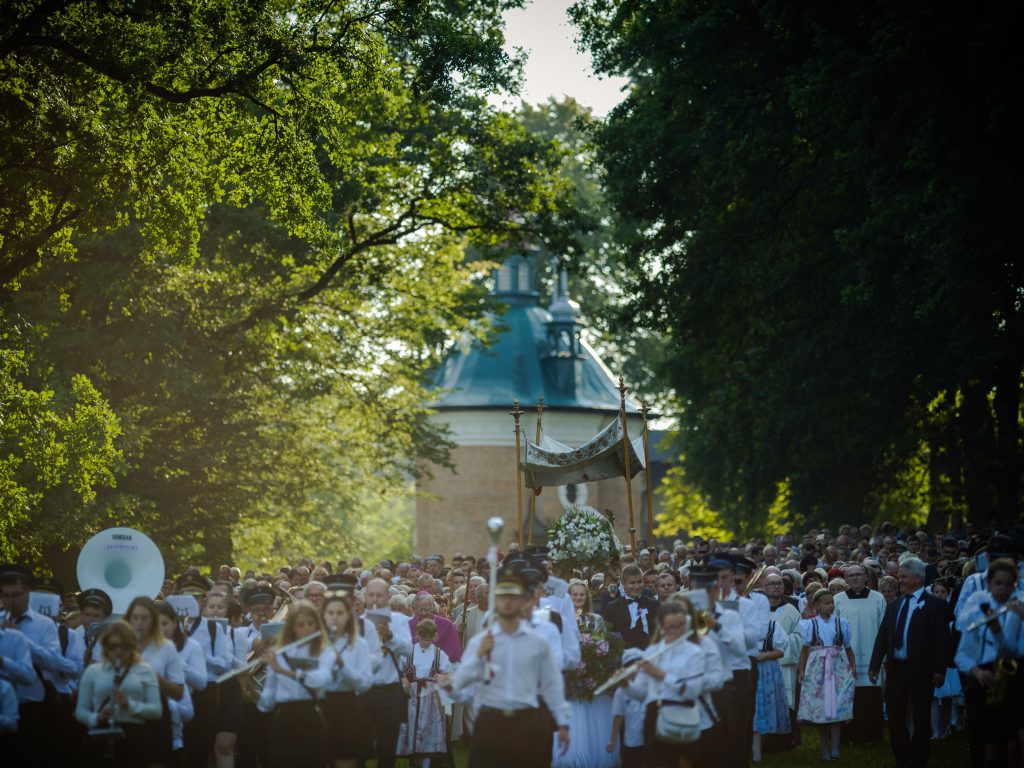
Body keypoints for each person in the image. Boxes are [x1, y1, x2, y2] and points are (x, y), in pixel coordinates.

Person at [451, 570, 570, 768]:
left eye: (512, 597)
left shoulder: (537, 642)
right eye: (502, 597)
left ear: (522, 602)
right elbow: (461, 682)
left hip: (526, 720)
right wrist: (478, 656)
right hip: (490, 721)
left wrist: (563, 721)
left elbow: (553, 683)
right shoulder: (481, 641)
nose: (507, 602)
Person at [869, 557, 951, 768]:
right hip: (896, 669)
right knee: (895, 717)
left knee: (921, 717)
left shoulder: (935, 605)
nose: (900, 581)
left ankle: (918, 760)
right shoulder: (894, 605)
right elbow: (883, 636)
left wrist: (940, 669)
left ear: (917, 578)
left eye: (904, 577)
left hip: (922, 670)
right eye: (899, 577)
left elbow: (942, 640)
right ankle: (902, 758)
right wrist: (874, 664)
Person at [954, 559, 1024, 768]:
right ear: (989, 584)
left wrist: (1000, 627)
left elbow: (1010, 650)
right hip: (985, 677)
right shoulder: (977, 611)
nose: (1003, 589)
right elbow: (962, 655)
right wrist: (977, 672)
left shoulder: (1018, 609)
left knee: (1013, 746)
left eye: (1008, 584)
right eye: (998, 583)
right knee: (989, 746)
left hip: (1015, 675)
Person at [624, 600, 711, 768]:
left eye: (681, 625)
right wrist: (624, 684)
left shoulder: (695, 653)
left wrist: (661, 675)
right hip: (655, 715)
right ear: (662, 627)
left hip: (685, 713)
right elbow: (641, 693)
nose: (678, 631)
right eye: (672, 627)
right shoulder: (652, 652)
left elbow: (692, 690)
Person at [256, 600, 333, 768]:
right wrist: (247, 686)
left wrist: (284, 671)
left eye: (310, 623)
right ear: (292, 628)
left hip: (311, 715)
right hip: (285, 719)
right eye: (300, 625)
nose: (306, 629)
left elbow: (320, 680)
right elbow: (268, 700)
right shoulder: (279, 654)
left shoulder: (323, 651)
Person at [75, 620, 162, 767]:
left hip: (134, 736)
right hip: (101, 734)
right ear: (105, 646)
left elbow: (156, 711)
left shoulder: (145, 671)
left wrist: (130, 705)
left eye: (125, 647)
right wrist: (97, 717)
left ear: (133, 646)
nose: (118, 651)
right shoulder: (93, 671)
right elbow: (80, 712)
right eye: (113, 646)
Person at [797, 588, 856, 762]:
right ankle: (824, 750)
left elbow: (848, 648)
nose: (830, 606)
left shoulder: (841, 623)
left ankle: (835, 748)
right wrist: (801, 669)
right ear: (816, 605)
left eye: (832, 603)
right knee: (821, 709)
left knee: (836, 707)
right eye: (826, 603)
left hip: (838, 668)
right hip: (817, 670)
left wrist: (853, 666)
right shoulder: (810, 625)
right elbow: (804, 650)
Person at [126, 596, 185, 768]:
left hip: (156, 712)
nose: (139, 623)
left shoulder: (166, 647)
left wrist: (156, 678)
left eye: (144, 618)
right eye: (135, 618)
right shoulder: (119, 643)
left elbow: (179, 692)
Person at [184, 588, 240, 768]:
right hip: (181, 690)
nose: (215, 611)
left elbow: (225, 664)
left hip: (209, 690)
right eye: (212, 606)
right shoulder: (175, 626)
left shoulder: (216, 629)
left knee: (203, 746)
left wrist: (200, 654)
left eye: (196, 598)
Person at [362, 577, 413, 768]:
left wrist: (390, 636)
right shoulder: (358, 622)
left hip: (390, 689)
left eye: (380, 595)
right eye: (371, 595)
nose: (375, 599)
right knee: (359, 741)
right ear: (365, 597)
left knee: (388, 743)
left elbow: (408, 650)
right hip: (364, 689)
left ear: (388, 597)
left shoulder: (399, 620)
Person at [832, 563, 886, 743]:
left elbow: (884, 629)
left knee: (870, 697)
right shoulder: (837, 599)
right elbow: (833, 629)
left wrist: (883, 657)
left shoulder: (878, 598)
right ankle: (848, 736)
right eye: (850, 575)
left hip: (872, 656)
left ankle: (871, 735)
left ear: (866, 577)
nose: (854, 578)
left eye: (858, 574)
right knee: (847, 696)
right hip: (845, 658)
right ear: (845, 579)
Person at [321, 590, 374, 768]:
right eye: (330, 613)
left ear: (348, 616)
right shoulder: (316, 643)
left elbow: (364, 684)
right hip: (319, 705)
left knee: (345, 758)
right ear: (324, 616)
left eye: (340, 613)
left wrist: (343, 667)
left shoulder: (359, 644)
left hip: (347, 706)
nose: (335, 617)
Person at [396, 619, 450, 766]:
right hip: (412, 699)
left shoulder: (439, 654)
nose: (425, 642)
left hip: (431, 700)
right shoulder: (409, 651)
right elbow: (398, 670)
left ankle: (426, 763)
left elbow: (448, 674)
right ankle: (414, 761)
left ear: (435, 637)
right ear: (417, 635)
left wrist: (443, 677)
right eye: (422, 638)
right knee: (412, 728)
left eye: (428, 639)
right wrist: (403, 679)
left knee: (428, 730)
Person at [751, 612, 790, 762]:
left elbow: (781, 651)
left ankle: (758, 751)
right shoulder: (742, 624)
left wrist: (765, 655)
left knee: (763, 707)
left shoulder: (772, 626)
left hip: (767, 671)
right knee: (752, 707)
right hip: (747, 669)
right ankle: (753, 749)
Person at [602, 564, 659, 649]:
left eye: (639, 582)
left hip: (651, 654)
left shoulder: (654, 605)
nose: (637, 586)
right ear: (623, 583)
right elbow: (608, 636)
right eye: (632, 583)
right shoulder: (611, 608)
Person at [608, 648, 646, 768]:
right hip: (632, 741)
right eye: (631, 666)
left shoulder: (650, 685)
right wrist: (613, 740)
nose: (636, 670)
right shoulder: (620, 691)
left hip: (651, 739)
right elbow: (618, 716)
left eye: (638, 665)